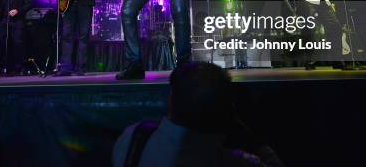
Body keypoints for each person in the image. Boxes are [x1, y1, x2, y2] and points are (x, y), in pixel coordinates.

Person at [112, 62, 284, 167]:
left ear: (170, 99)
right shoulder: (234, 161)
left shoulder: (133, 139)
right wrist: (243, 132)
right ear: (225, 110)